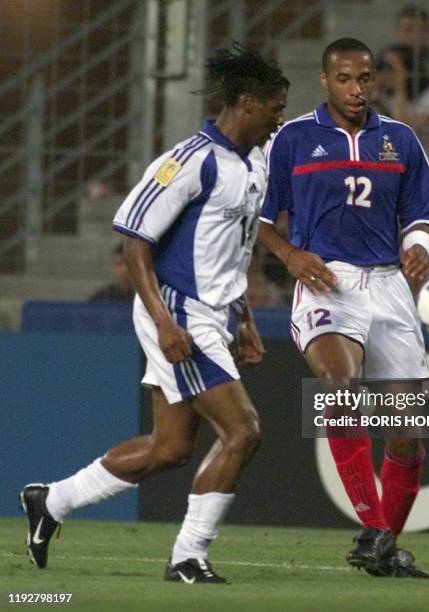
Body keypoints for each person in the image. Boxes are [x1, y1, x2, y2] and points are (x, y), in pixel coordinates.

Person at [19, 44, 288, 584]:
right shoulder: (189, 160)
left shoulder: (255, 160)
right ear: (245, 102)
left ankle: (51, 500)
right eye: (274, 108)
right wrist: (166, 323)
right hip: (180, 313)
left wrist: (246, 317)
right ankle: (188, 556)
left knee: (170, 449)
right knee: (243, 431)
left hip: (215, 312)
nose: (278, 119)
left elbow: (232, 247)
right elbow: (135, 243)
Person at [258, 38, 429, 578]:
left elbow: (423, 215)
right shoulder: (292, 139)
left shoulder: (401, 140)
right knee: (340, 384)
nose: (356, 89)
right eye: (345, 78)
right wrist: (290, 255)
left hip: (388, 285)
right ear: (325, 80)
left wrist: (420, 247)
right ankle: (373, 527)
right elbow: (262, 219)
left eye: (365, 78)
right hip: (327, 281)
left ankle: (384, 543)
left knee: (407, 428)